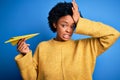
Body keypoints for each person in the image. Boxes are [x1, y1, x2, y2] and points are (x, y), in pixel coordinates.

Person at [15, 0, 119, 80]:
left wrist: (80, 21)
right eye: (64, 25)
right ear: (55, 24)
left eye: (73, 26)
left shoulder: (87, 46)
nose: (69, 30)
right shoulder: (42, 47)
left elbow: (113, 34)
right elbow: (31, 78)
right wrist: (25, 55)